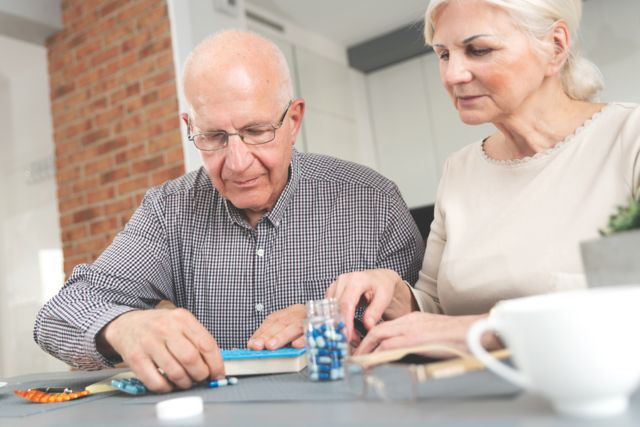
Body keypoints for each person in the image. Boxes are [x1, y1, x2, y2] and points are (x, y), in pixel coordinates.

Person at [34, 30, 424, 392]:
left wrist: (337, 318)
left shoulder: (373, 201)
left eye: (256, 131)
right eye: (214, 137)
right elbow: (58, 315)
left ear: (294, 120)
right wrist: (123, 326)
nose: (237, 164)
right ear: (190, 127)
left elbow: (425, 319)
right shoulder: (168, 211)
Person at [329, 0, 640, 355]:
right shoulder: (459, 170)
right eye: (444, 54)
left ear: (555, 47)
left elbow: (627, 304)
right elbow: (435, 307)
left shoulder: (630, 140)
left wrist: (485, 330)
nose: (452, 75)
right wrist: (394, 293)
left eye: (479, 50)